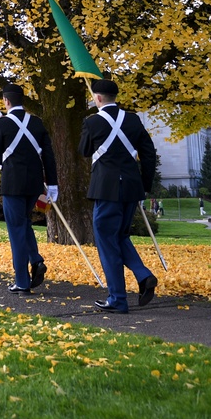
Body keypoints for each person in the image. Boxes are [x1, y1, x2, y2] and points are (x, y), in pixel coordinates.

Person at [79, 79, 158, 313]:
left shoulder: (92, 122)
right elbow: (149, 154)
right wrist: (145, 185)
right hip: (132, 188)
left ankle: (117, 298)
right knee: (120, 236)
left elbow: (84, 150)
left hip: (106, 189)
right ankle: (143, 276)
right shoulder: (133, 119)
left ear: (98, 98)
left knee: (106, 241)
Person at [0, 84, 59, 294]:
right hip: (34, 184)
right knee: (24, 224)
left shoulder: (2, 123)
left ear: (6, 101)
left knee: (16, 231)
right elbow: (48, 155)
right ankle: (36, 260)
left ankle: (22, 280)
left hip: (13, 184)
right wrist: (53, 184)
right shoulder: (37, 123)